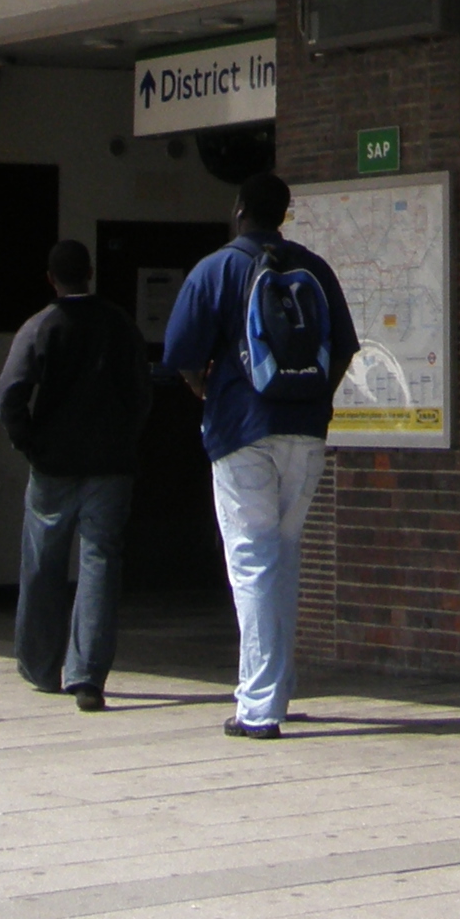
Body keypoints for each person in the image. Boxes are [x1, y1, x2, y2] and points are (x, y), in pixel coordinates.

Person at [160, 173, 358, 740]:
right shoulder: (314, 268)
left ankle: (260, 708)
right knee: (284, 558)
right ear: (285, 213)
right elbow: (343, 347)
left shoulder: (217, 269)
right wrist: (311, 399)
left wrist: (204, 388)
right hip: (306, 433)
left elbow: (181, 352)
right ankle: (275, 688)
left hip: (241, 430)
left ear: (240, 208)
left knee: (253, 561)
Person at [0, 237, 153, 710]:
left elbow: (8, 394)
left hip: (53, 466)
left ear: (51, 278)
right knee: (100, 561)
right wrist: (124, 437)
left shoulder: (41, 326)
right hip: (111, 465)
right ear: (91, 273)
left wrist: (28, 442)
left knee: (43, 561)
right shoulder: (120, 325)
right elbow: (142, 393)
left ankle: (41, 666)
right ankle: (87, 677)